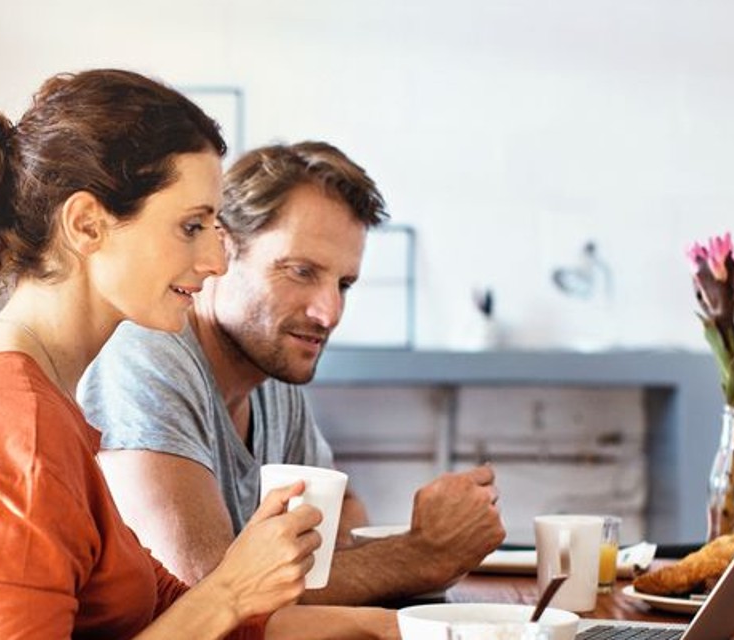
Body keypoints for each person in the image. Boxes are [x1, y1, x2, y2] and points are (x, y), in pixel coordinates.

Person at [0, 70, 396, 639]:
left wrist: (402, 629)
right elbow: (209, 613)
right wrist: (230, 590)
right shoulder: (20, 433)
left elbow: (171, 614)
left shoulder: (39, 402)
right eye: (191, 226)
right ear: (87, 225)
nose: (216, 262)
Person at [79, 141, 507, 606]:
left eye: (344, 284)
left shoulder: (272, 378)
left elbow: (340, 518)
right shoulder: (146, 354)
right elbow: (207, 598)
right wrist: (422, 554)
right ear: (219, 250)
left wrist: (410, 555)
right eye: (301, 272)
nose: (329, 313)